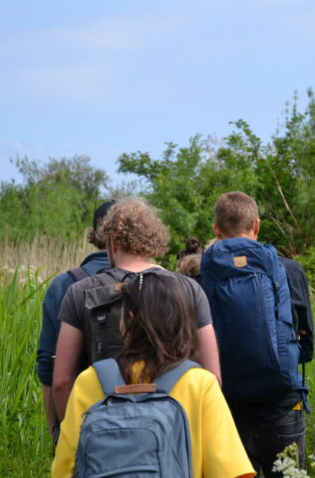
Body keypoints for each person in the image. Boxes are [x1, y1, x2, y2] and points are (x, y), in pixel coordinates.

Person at [52, 272, 254, 478]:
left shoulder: (90, 380)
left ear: (128, 320)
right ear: (181, 321)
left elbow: (64, 470)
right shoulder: (200, 383)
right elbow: (232, 472)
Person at [53, 198, 221, 420]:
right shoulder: (189, 289)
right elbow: (212, 376)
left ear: (112, 243)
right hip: (173, 429)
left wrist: (78, 436)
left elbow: (62, 382)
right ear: (152, 241)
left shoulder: (80, 292)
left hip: (103, 430)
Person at [206, 191, 314, 477]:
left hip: (230, 405)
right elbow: (308, 346)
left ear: (216, 230)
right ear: (256, 225)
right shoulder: (289, 269)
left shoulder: (201, 276)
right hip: (282, 402)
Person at [36, 199, 117, 444]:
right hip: (145, 418)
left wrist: (57, 434)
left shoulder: (64, 284)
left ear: (95, 235)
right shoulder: (155, 281)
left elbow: (50, 369)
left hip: (80, 415)